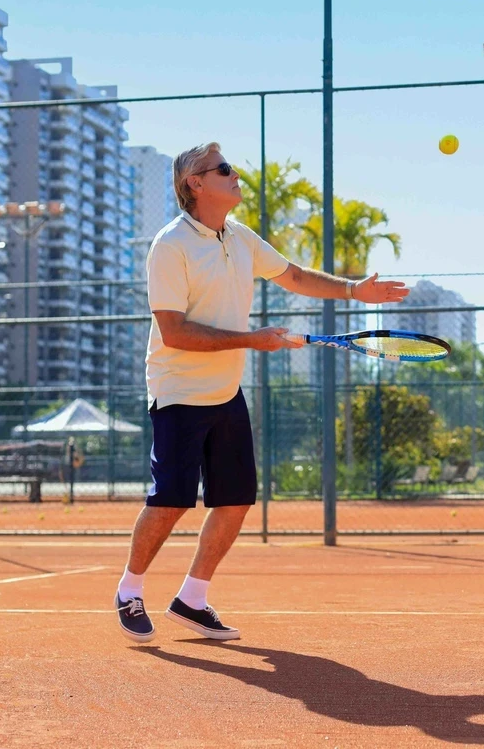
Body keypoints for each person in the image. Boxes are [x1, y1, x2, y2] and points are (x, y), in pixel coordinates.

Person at [115, 141, 409, 643]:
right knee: (171, 501)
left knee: (234, 501)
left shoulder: (240, 237)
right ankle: (129, 589)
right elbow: (175, 333)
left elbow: (292, 275)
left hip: (226, 391)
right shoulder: (170, 245)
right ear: (197, 184)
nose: (235, 175)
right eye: (223, 169)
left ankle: (192, 599)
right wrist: (254, 339)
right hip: (179, 390)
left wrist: (353, 289)